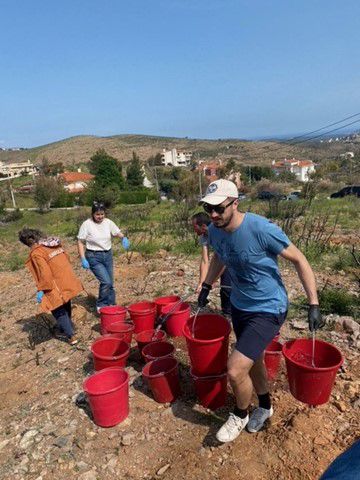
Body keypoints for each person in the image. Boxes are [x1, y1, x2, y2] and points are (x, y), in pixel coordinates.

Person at [197, 179, 324, 443]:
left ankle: (240, 413)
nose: (213, 215)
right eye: (208, 208)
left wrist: (313, 303)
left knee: (234, 369)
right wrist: (206, 286)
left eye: (219, 208)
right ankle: (265, 405)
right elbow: (220, 255)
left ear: (235, 203)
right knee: (252, 359)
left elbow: (300, 258)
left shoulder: (260, 228)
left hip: (269, 307)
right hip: (240, 305)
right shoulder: (214, 229)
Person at [19, 228, 83, 345]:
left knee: (56, 307)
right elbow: (67, 258)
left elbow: (45, 273)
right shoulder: (52, 244)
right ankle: (65, 327)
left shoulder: (37, 252)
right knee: (65, 301)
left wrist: (41, 289)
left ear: (26, 242)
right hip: (66, 278)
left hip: (54, 283)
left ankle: (71, 336)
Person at [77, 202, 130, 311]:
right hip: (93, 256)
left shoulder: (108, 222)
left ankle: (112, 305)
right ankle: (101, 305)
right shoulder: (87, 224)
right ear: (93, 214)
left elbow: (116, 232)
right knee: (106, 281)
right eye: (97, 214)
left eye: (102, 214)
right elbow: (80, 242)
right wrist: (83, 258)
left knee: (110, 283)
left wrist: (123, 238)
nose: (100, 217)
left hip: (107, 255)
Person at [191, 212, 232, 315]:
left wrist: (210, 283)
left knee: (228, 286)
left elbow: (224, 260)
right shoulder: (204, 236)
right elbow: (205, 260)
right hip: (222, 257)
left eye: (194, 226)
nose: (193, 229)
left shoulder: (219, 232)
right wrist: (202, 283)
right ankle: (227, 313)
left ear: (203, 226)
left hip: (234, 258)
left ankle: (233, 314)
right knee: (224, 288)